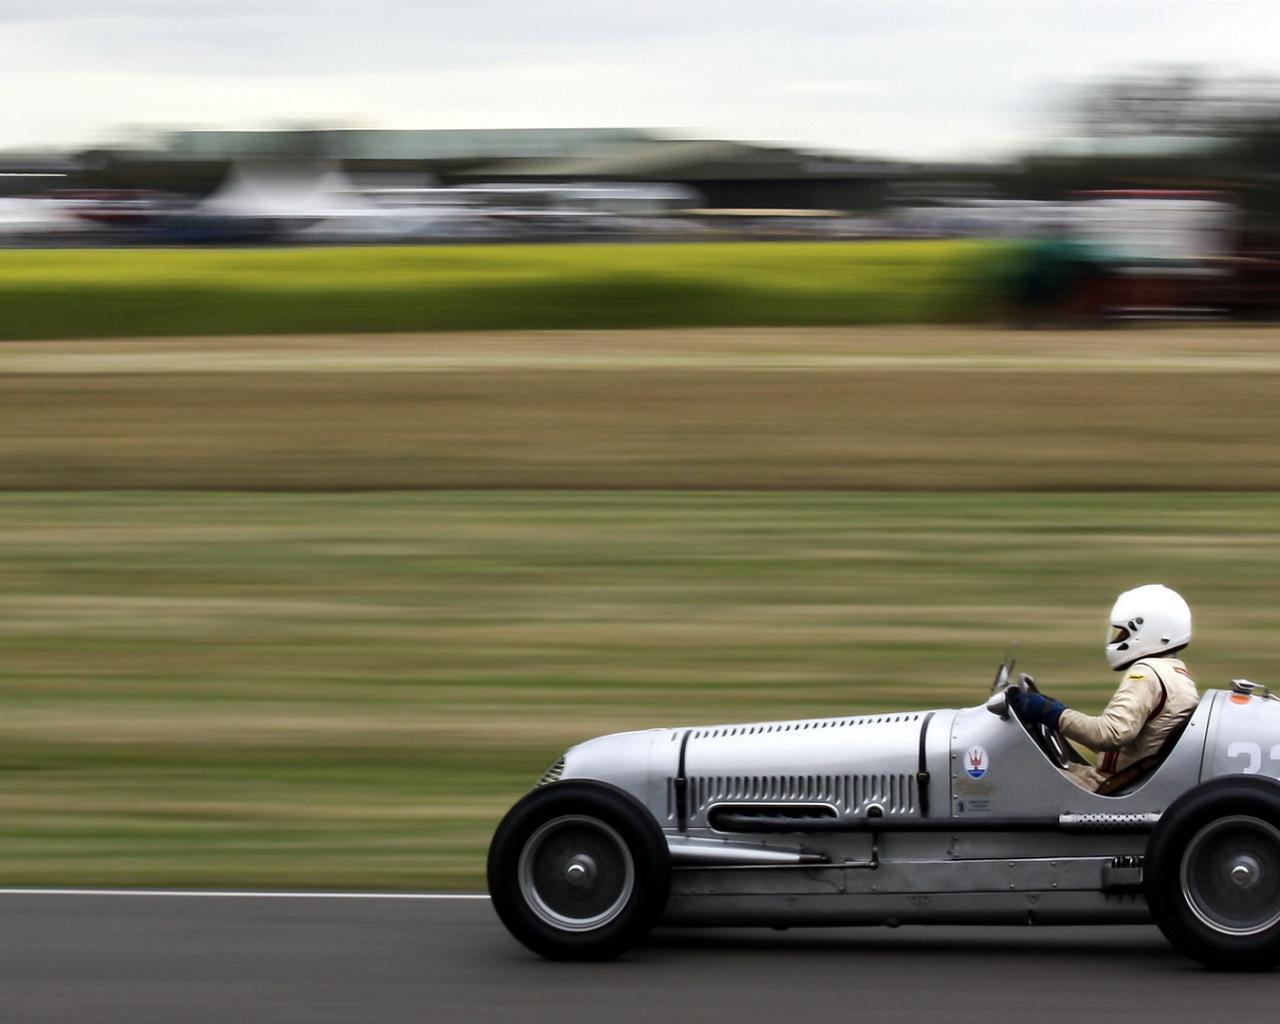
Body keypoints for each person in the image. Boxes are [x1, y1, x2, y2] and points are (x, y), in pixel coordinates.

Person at [1008, 584, 1200, 792]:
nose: (1118, 638)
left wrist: (1052, 713)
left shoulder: (1147, 674)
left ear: (1147, 630)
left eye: (1123, 633)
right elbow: (1128, 745)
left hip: (1107, 786)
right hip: (1125, 780)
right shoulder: (1176, 675)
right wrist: (1056, 713)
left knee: (1012, 776)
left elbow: (1110, 735)